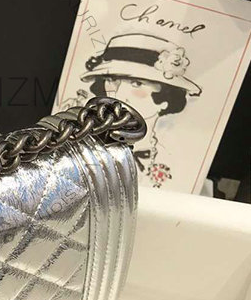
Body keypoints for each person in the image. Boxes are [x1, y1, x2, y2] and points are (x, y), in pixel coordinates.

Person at [81, 32, 201, 188]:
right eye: (112, 79)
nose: (117, 92)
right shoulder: (81, 145)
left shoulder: (177, 160)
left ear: (165, 100)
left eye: (136, 84)